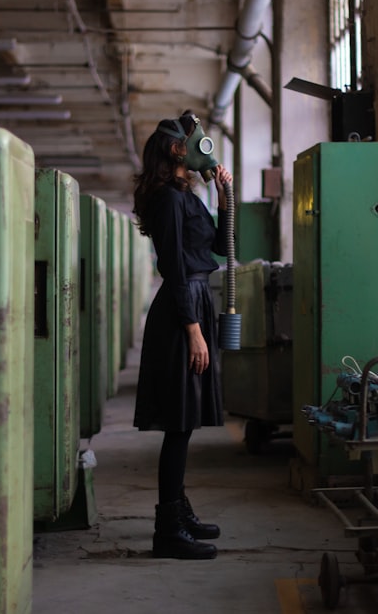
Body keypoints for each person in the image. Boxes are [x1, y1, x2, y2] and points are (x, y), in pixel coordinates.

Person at [132, 111, 233, 560]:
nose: (202, 147)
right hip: (181, 313)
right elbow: (174, 267)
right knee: (178, 424)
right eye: (195, 141)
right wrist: (193, 330)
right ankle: (167, 530)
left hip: (192, 304)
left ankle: (179, 511)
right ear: (178, 149)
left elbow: (218, 244)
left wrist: (223, 192)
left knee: (185, 423)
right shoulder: (168, 201)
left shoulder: (184, 196)